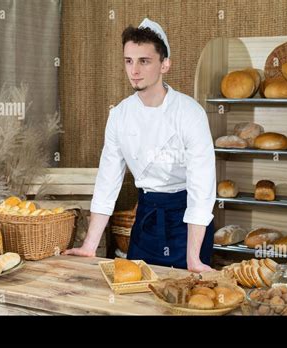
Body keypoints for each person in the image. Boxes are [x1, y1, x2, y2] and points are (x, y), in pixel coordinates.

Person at [64, 18, 216, 273]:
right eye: (128, 61)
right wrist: (89, 245)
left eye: (144, 61)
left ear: (165, 64)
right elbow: (107, 182)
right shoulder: (120, 115)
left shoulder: (190, 113)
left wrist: (194, 258)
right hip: (145, 217)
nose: (134, 70)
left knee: (187, 300)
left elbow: (202, 189)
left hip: (187, 221)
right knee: (136, 294)